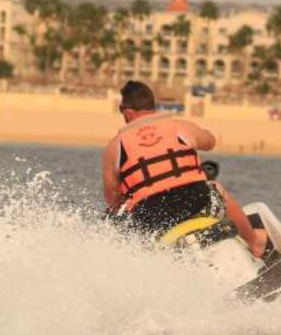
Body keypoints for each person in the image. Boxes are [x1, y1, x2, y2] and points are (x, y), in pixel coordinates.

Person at [102, 80, 268, 257]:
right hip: (194, 202)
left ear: (127, 110)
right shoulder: (179, 127)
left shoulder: (115, 147)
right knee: (216, 189)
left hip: (151, 218)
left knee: (119, 224)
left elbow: (112, 197)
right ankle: (256, 243)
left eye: (121, 110)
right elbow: (209, 141)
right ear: (152, 106)